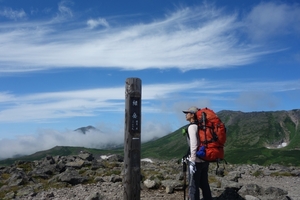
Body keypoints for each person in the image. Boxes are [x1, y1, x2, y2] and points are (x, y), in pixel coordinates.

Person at [182, 106, 212, 200]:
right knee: (204, 184)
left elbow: (194, 144)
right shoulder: (201, 126)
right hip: (205, 160)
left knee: (193, 186)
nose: (186, 115)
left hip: (196, 162)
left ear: (192, 115)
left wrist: (192, 161)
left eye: (187, 113)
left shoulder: (192, 127)